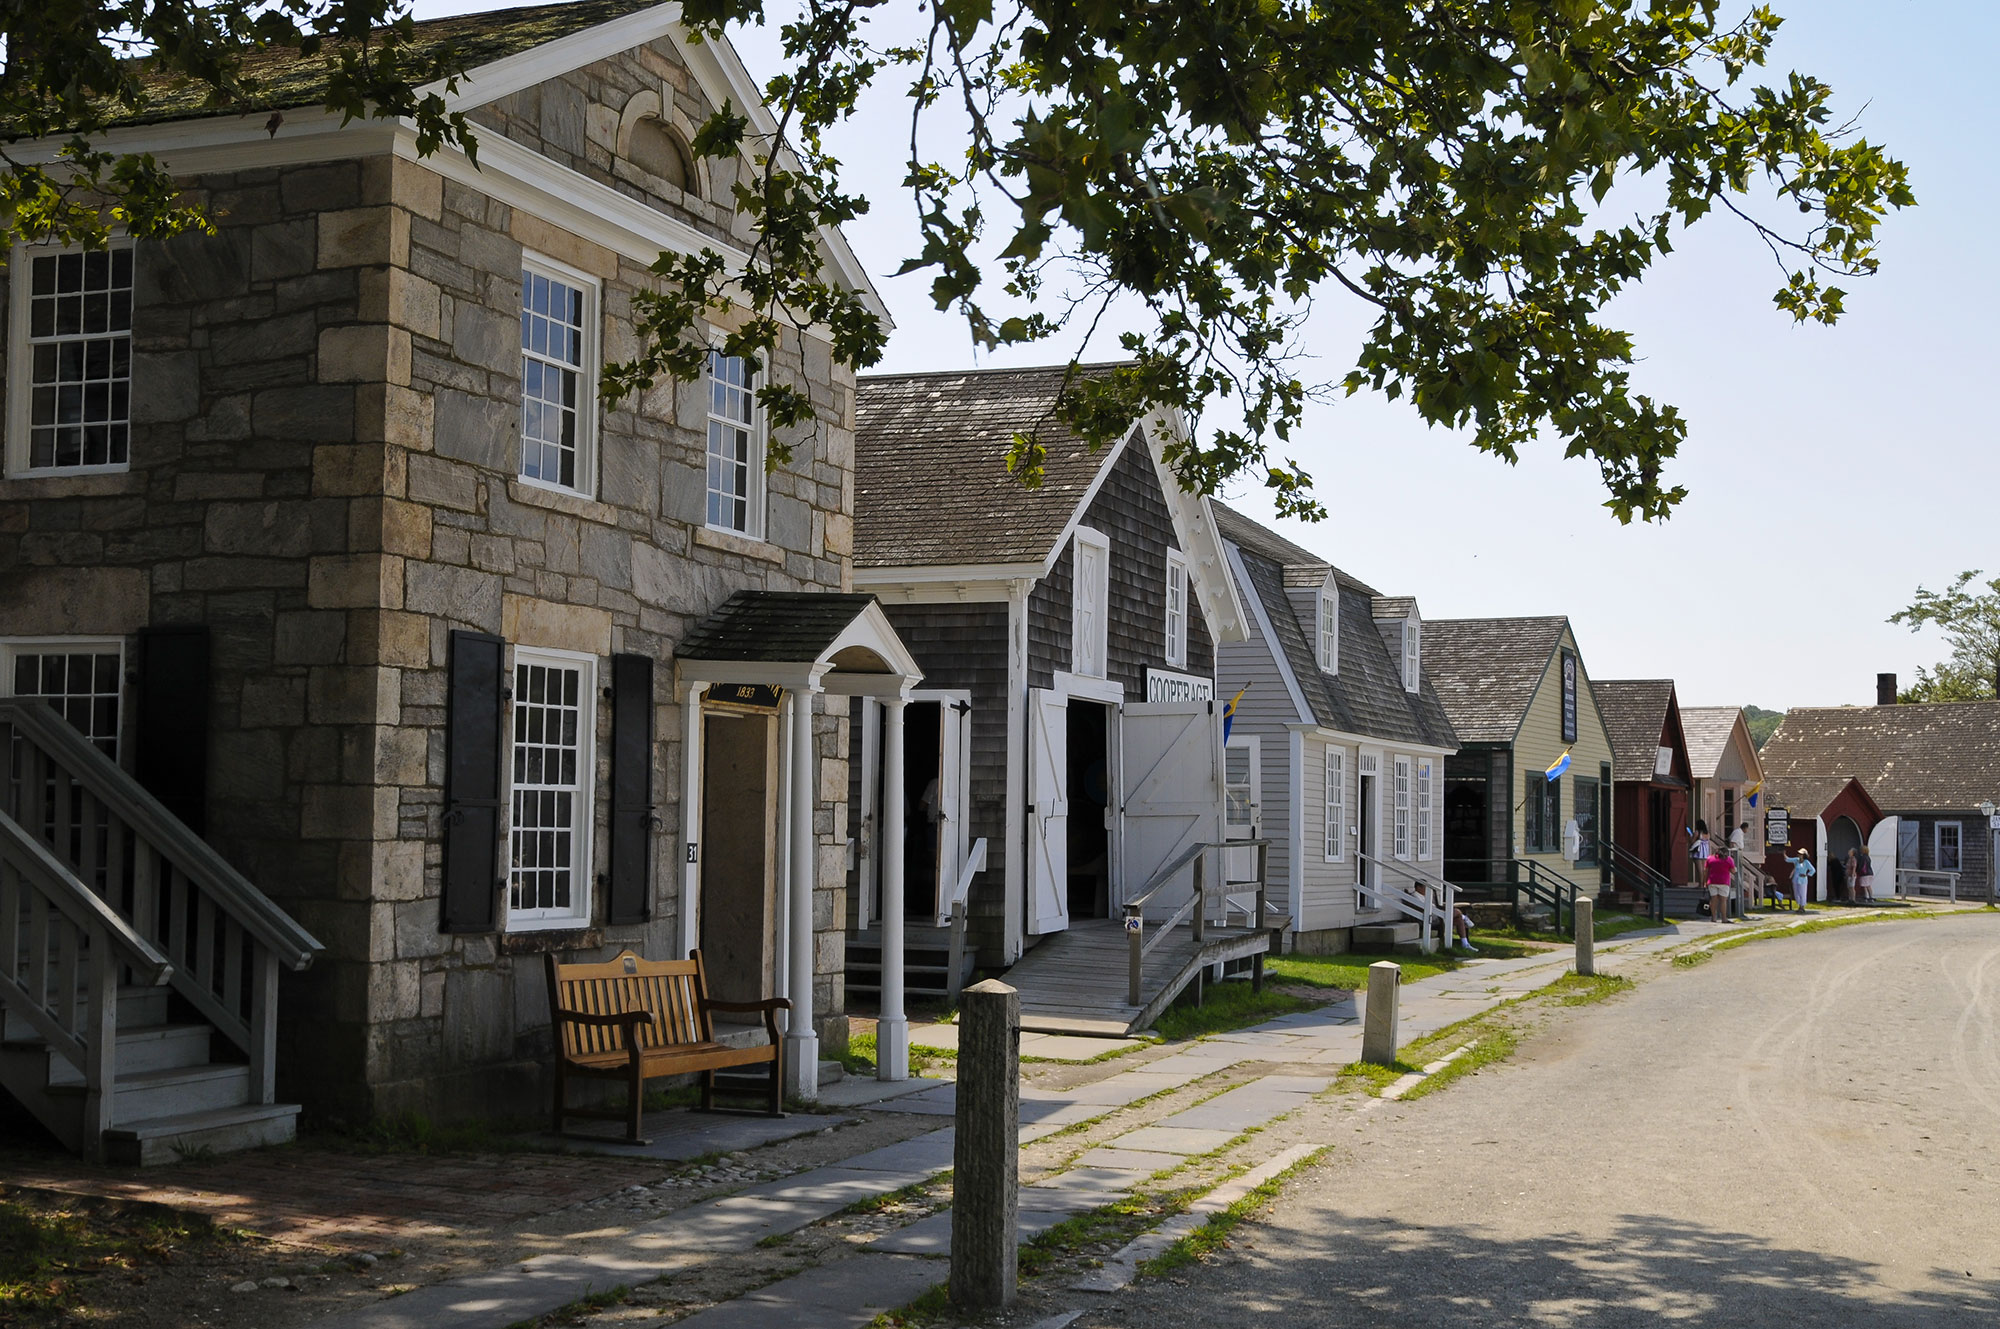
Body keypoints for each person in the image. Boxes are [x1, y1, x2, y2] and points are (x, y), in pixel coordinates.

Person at [1705, 847, 1735, 922]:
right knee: (1723, 900)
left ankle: (1713, 917)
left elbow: (1706, 870)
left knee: (1713, 899)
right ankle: (1724, 918)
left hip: (1712, 881)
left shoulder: (1710, 859)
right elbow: (1733, 871)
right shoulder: (1729, 859)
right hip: (1724, 882)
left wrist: (1705, 881)